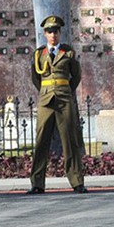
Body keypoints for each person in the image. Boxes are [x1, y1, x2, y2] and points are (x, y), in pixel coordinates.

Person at [28, 15, 87, 194]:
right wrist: (46, 91)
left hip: (64, 99)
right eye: (49, 31)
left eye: (55, 31)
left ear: (60, 33)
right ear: (44, 34)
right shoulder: (39, 54)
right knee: (41, 141)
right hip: (46, 100)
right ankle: (37, 183)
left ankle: (77, 181)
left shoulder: (68, 53)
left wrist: (65, 90)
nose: (52, 34)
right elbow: (35, 78)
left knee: (70, 140)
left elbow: (75, 76)